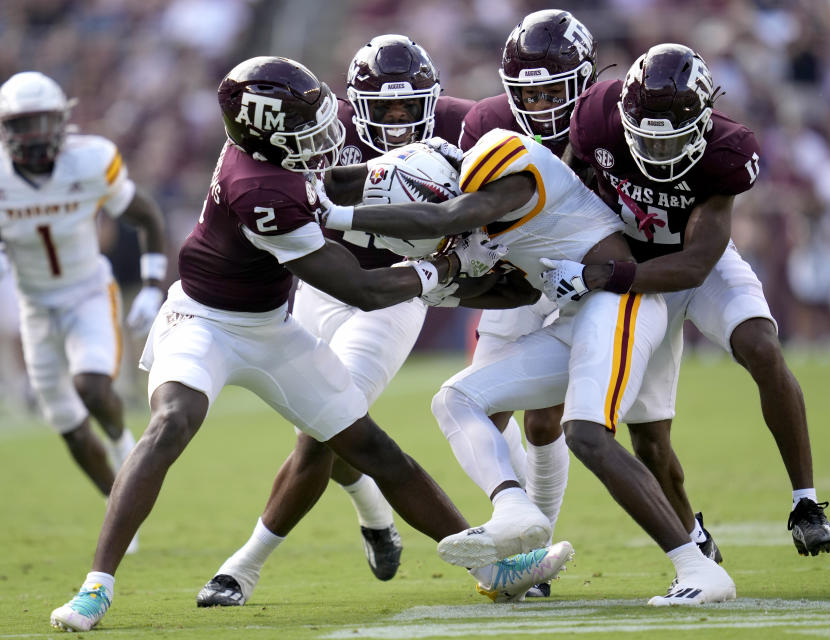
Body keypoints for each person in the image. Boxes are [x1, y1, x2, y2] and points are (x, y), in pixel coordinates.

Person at [49, 56, 574, 633]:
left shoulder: (268, 163)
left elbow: (331, 193)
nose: (322, 137)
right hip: (202, 321)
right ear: (263, 133)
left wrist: (412, 203)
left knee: (374, 449)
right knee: (172, 421)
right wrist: (443, 267)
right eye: (303, 128)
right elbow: (362, 288)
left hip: (271, 327)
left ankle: (494, 570)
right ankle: (95, 587)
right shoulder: (259, 189)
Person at [320, 126, 736, 605]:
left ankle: (697, 568)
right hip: (579, 315)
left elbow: (450, 213)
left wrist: (338, 214)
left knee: (585, 433)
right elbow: (520, 291)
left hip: (623, 302)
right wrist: (448, 282)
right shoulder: (479, 215)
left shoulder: (503, 160)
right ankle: (514, 507)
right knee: (456, 399)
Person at [195, 35, 479, 607]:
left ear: (433, 96)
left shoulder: (464, 125)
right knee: (332, 424)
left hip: (395, 293)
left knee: (324, 426)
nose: (398, 120)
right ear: (353, 102)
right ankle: (374, 510)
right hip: (324, 287)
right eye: (385, 108)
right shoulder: (320, 122)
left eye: (409, 106)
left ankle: (242, 568)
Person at [542, 43, 830, 557]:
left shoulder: (728, 150)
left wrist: (599, 274)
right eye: (648, 142)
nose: (659, 154)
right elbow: (566, 189)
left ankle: (806, 504)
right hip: (628, 272)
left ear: (705, 121)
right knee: (651, 443)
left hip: (681, 263)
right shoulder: (595, 116)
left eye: (672, 142)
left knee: (762, 346)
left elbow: (696, 264)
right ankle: (694, 541)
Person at [458, 11, 722, 593]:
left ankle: (689, 539)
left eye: (557, 87)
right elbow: (470, 222)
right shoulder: (488, 124)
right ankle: (530, 545)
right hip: (525, 271)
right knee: (485, 405)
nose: (546, 103)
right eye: (531, 91)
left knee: (642, 435)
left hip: (612, 276)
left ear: (586, 77)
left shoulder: (610, 114)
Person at [0, 71, 166, 536]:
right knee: (70, 429)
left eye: (41, 122)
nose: (33, 136)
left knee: (93, 386)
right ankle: (119, 512)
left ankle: (120, 441)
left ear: (62, 121)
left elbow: (145, 213)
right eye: (22, 124)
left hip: (88, 292)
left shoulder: (90, 161)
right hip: (34, 305)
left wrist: (153, 284)